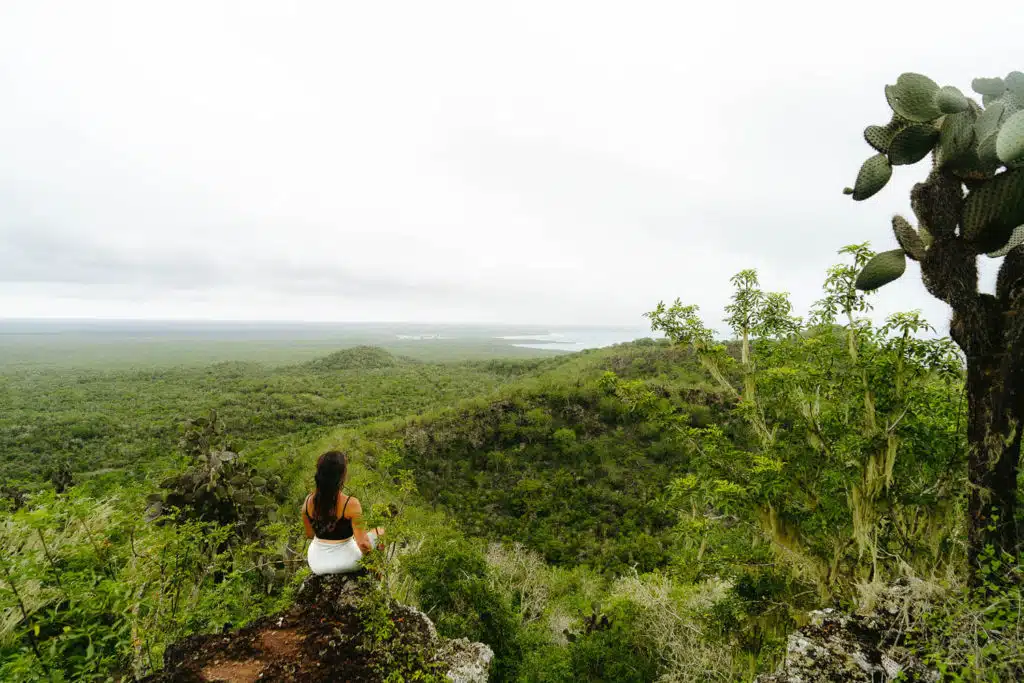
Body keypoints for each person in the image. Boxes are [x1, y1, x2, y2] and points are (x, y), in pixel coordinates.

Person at [302, 450, 384, 574]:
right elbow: (363, 544)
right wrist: (374, 566)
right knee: (380, 531)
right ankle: (378, 574)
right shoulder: (351, 503)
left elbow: (309, 534)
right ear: (341, 475)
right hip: (347, 562)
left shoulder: (308, 500)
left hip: (316, 563)